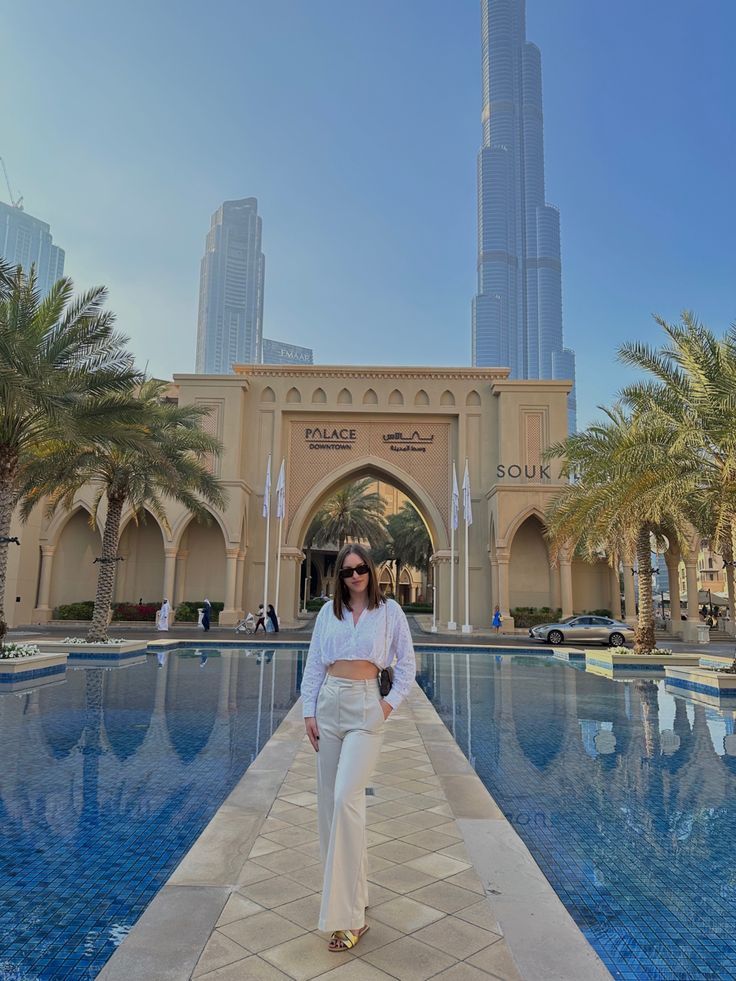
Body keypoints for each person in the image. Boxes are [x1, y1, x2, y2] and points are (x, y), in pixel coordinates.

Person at [301, 543, 416, 953]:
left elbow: (407, 666)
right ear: (340, 576)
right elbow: (314, 663)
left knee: (347, 797)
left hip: (366, 707)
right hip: (329, 705)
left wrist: (385, 706)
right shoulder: (327, 614)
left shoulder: (390, 613)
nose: (354, 576)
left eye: (361, 569)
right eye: (347, 570)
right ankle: (356, 893)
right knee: (331, 809)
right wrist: (308, 712)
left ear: (371, 570)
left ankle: (349, 918)